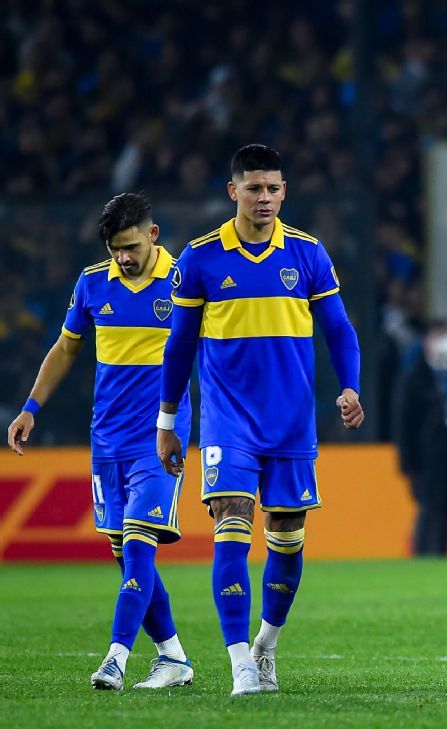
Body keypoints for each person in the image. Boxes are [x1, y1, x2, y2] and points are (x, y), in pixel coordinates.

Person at [157, 144, 364, 695]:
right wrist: (167, 419)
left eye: (274, 188)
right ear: (234, 192)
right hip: (229, 423)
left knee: (287, 535)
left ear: (284, 191)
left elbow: (339, 330)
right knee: (231, 524)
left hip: (292, 423)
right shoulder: (199, 259)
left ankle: (265, 645)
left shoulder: (308, 253)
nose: (265, 198)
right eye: (254, 188)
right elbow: (178, 348)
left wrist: (349, 387)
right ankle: (237, 663)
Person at [6, 193, 195, 691]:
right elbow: (67, 348)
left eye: (131, 246)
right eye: (116, 250)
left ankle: (115, 657)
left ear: (153, 235)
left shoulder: (184, 282)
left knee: (137, 550)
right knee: (126, 553)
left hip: (160, 436)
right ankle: (173, 656)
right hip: (106, 438)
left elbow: (217, 349)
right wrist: (31, 407)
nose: (124, 258)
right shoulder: (93, 283)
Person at [394, 319, 447, 556]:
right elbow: (403, 423)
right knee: (429, 508)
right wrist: (407, 462)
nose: (446, 343)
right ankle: (422, 553)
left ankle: (441, 553)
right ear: (427, 342)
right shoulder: (414, 378)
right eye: (440, 336)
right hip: (427, 458)